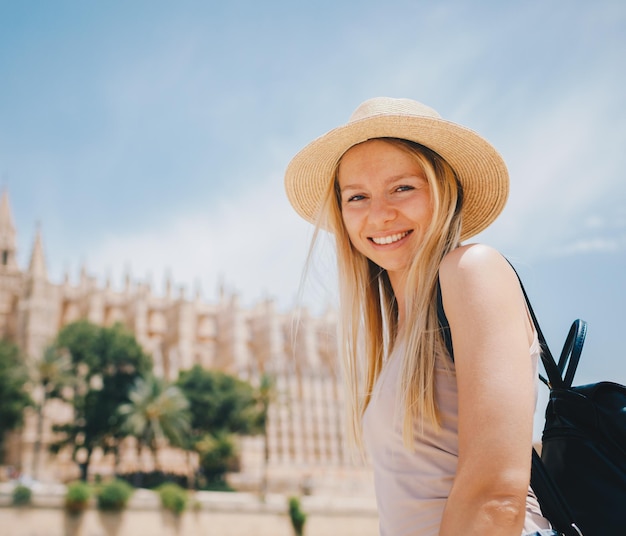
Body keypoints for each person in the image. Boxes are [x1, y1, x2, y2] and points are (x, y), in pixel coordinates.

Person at [284, 97, 556, 536]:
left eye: (402, 188)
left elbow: (495, 491)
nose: (379, 214)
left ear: (442, 190)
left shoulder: (472, 271)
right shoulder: (402, 325)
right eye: (357, 196)